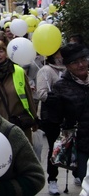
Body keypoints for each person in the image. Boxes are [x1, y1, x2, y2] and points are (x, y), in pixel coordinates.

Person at [47, 43, 89, 186]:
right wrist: (53, 105)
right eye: (75, 62)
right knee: (86, 182)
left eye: (83, 60)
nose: (81, 64)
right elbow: (56, 119)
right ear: (67, 66)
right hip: (82, 143)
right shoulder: (61, 86)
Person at [0, 40, 37, 142]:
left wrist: (34, 118)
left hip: (20, 123)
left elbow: (29, 96)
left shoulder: (18, 71)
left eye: (1, 51)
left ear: (6, 53)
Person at [35, 48, 64, 195]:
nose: (61, 56)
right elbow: (41, 93)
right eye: (59, 53)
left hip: (69, 115)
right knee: (54, 149)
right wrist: (59, 99)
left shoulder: (68, 69)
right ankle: (52, 180)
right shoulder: (46, 70)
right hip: (52, 117)